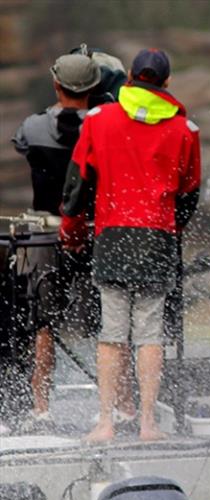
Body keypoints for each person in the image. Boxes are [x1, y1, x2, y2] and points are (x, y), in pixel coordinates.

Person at [60, 48, 201, 442]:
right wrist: (171, 231)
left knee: (111, 333)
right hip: (157, 236)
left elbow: (76, 185)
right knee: (150, 332)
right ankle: (147, 424)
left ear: (130, 78)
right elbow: (188, 194)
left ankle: (105, 423)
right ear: (166, 83)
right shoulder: (185, 130)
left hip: (112, 235)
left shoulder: (99, 120)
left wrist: (71, 232)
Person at [11, 53, 102, 431]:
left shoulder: (33, 127)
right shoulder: (103, 128)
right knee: (105, 325)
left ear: (56, 85)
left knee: (41, 324)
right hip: (94, 233)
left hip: (44, 236)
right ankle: (110, 408)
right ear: (94, 88)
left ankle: (41, 407)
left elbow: (22, 145)